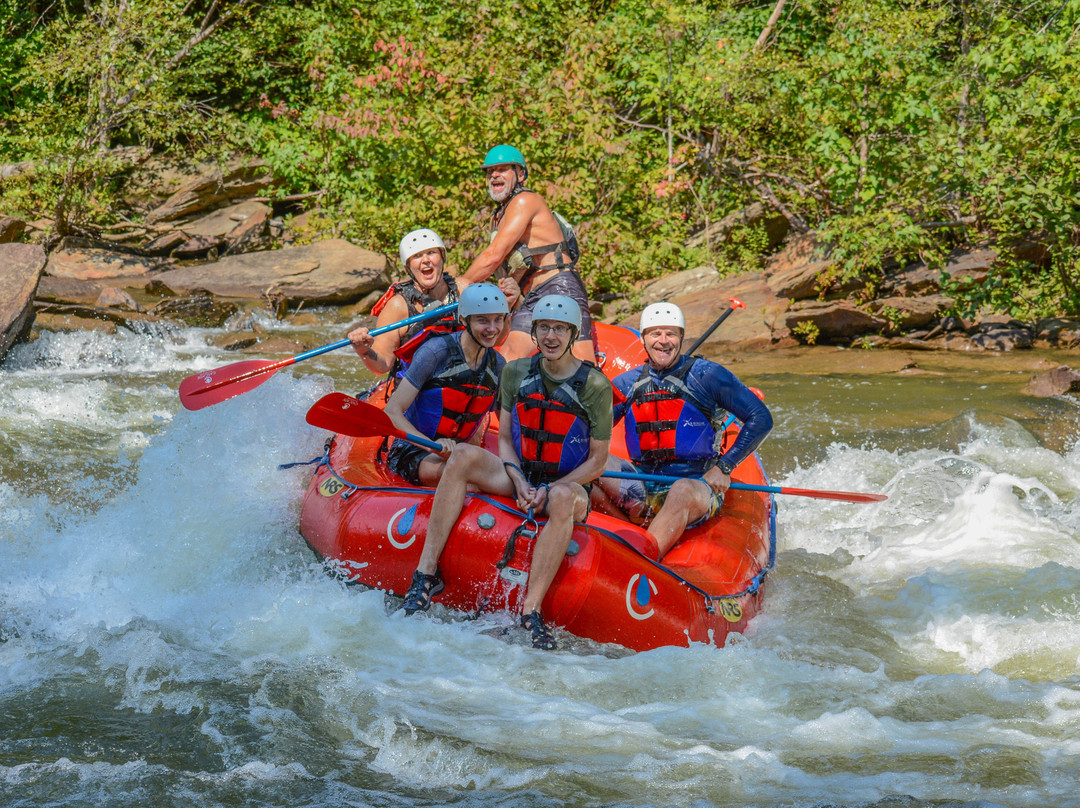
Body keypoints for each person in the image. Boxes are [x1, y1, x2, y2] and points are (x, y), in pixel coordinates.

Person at [400, 294, 613, 650]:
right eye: (543, 327)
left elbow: (599, 461)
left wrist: (551, 487)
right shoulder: (514, 372)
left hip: (567, 487)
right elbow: (507, 438)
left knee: (560, 497)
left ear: (573, 334)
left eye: (560, 329)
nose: (550, 336)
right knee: (464, 455)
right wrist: (517, 477)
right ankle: (425, 574)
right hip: (522, 476)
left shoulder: (595, 386)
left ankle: (531, 611)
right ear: (533, 331)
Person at [593, 302, 773, 560]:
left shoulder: (707, 375)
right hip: (643, 482)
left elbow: (761, 418)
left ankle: (642, 558)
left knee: (682, 491)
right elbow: (591, 430)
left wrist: (724, 467)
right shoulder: (628, 382)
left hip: (697, 484)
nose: (663, 341)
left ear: (681, 337)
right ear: (643, 338)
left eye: (671, 334)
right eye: (655, 334)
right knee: (587, 463)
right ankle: (629, 533)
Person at [461, 145, 596, 364]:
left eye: (503, 169)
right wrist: (511, 292)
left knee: (582, 365)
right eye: (489, 172)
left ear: (521, 174)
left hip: (560, 287)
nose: (494, 174)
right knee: (507, 359)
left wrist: (462, 284)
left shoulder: (526, 201)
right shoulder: (497, 217)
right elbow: (509, 267)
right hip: (532, 297)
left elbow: (493, 256)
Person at [380, 283, 510, 486]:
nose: (492, 329)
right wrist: (431, 446)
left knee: (503, 477)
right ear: (464, 320)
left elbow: (508, 430)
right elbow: (391, 412)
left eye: (498, 320)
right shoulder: (436, 352)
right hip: (414, 452)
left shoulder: (498, 365)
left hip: (461, 454)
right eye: (483, 320)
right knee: (471, 480)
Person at [348, 228, 462, 378]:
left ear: (442, 257)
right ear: (408, 267)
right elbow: (383, 365)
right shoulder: (398, 306)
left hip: (463, 379)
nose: (425, 260)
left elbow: (495, 335)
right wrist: (364, 351)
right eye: (417, 256)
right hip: (420, 386)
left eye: (431, 253)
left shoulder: (464, 291)